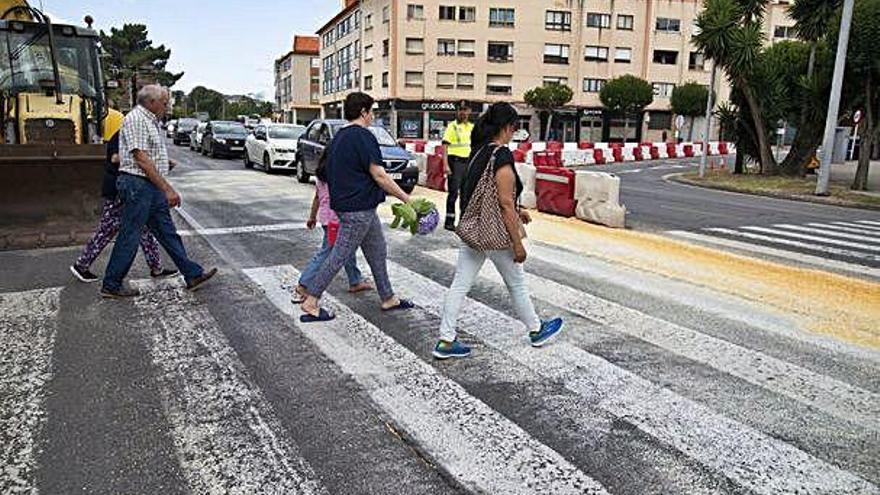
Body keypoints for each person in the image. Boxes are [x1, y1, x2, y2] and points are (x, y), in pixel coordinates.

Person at [433, 103, 563, 359]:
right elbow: (503, 202)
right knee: (516, 283)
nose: (515, 132)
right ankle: (536, 330)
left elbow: (488, 193)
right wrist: (517, 243)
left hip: (474, 229)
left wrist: (518, 209)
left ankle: (446, 340)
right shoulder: (501, 155)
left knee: (460, 284)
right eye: (515, 127)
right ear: (506, 127)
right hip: (495, 232)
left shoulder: (478, 151)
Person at [299, 92, 412, 322]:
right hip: (357, 210)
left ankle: (388, 297)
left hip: (358, 207)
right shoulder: (363, 136)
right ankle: (311, 300)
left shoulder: (339, 137)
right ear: (363, 112)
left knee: (377, 251)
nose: (372, 116)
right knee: (338, 255)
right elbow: (379, 175)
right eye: (371, 111)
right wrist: (406, 198)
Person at [101, 85, 217, 298]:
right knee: (130, 234)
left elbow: (146, 155)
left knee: (167, 232)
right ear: (151, 102)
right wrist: (167, 188)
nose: (167, 106)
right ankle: (111, 284)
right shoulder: (137, 119)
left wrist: (164, 164)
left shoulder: (148, 120)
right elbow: (140, 158)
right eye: (164, 103)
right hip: (138, 185)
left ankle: (192, 274)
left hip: (147, 186)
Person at [70, 105, 177, 283]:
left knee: (144, 230)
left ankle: (156, 267)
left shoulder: (127, 132)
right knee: (108, 230)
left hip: (129, 189)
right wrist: (144, 159)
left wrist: (157, 162)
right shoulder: (122, 134)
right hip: (119, 190)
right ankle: (82, 265)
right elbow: (115, 158)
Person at [293, 150, 373, 302]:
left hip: (326, 218)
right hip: (336, 219)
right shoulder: (337, 175)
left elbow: (317, 197)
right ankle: (303, 284)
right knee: (327, 252)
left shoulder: (321, 175)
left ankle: (355, 280)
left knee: (347, 248)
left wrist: (312, 217)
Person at [442, 101, 474, 231]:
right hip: (454, 163)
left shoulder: (472, 127)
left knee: (466, 194)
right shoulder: (452, 126)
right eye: (461, 110)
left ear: (469, 111)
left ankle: (463, 222)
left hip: (468, 163)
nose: (463, 112)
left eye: (465, 110)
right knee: (453, 193)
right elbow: (444, 146)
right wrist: (445, 165)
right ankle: (449, 222)